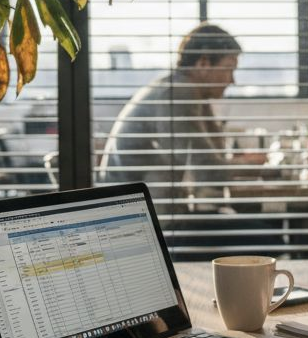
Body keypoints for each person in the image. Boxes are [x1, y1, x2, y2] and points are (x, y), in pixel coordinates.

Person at [99, 24, 272, 253]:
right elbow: (208, 171)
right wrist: (262, 166)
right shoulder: (178, 93)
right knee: (268, 237)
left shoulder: (181, 89)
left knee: (257, 229)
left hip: (149, 219)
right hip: (144, 227)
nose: (233, 81)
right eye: (229, 69)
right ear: (203, 63)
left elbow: (211, 155)